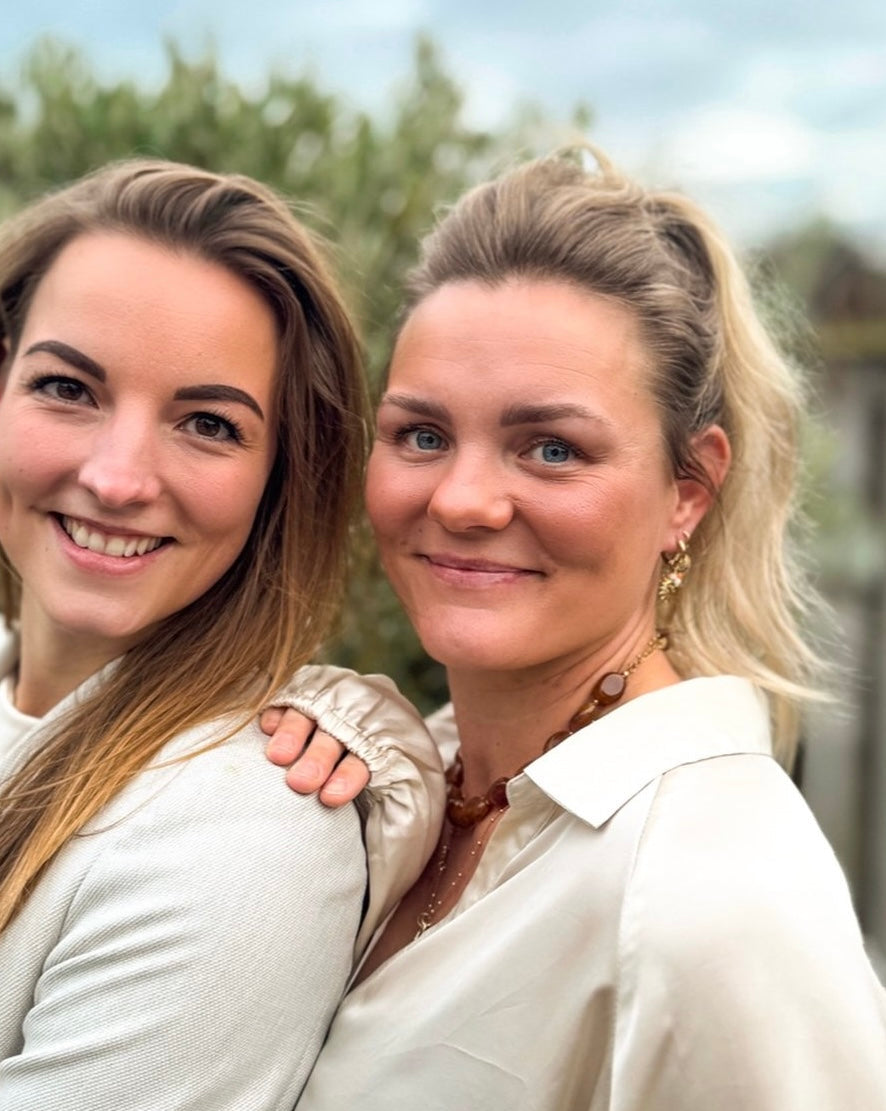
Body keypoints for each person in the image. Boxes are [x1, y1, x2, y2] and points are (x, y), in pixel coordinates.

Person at [0, 159, 443, 1111]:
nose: (118, 478)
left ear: (276, 475)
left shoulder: (244, 845)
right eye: (69, 388)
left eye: (206, 423)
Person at [285, 147, 886, 1108]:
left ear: (687, 491)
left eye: (552, 448)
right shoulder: (414, 782)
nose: (464, 499)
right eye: (423, 434)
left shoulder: (714, 894)